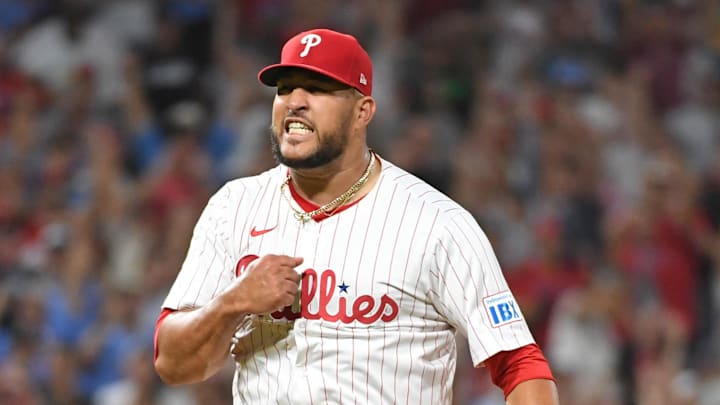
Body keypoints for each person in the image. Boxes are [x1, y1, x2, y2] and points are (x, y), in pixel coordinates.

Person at [153, 28, 559, 404]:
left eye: (317, 88)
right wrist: (232, 302)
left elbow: (521, 365)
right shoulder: (234, 207)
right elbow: (174, 364)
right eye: (285, 88)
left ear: (362, 111)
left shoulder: (436, 223)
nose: (295, 101)